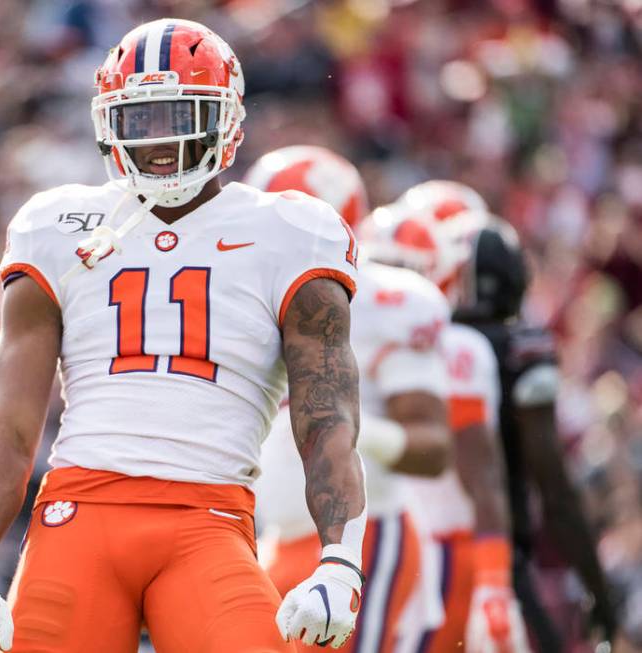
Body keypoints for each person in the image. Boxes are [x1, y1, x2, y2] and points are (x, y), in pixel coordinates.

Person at [0, 19, 367, 653]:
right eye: (139, 119)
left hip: (209, 520)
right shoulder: (58, 226)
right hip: (78, 515)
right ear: (109, 125)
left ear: (227, 118)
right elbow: (9, 424)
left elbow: (325, 417)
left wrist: (339, 559)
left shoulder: (289, 231)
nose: (160, 141)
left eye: (180, 114)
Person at [245, 146, 451, 653]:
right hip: (275, 540)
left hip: (364, 539)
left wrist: (338, 424)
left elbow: (432, 449)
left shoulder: (385, 300)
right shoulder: (247, 294)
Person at [358, 200, 530, 653]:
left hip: (442, 551)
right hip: (381, 539)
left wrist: (494, 584)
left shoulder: (457, 349)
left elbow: (482, 475)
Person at [444, 212, 619, 652]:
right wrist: (598, 587)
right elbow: (554, 489)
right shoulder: (522, 348)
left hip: (419, 550)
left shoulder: (427, 342)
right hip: (496, 560)